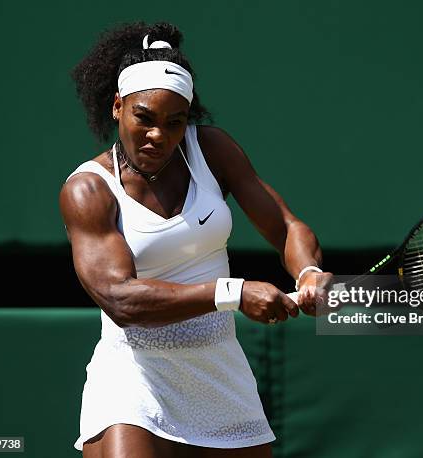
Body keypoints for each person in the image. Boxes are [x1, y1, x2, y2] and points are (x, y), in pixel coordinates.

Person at [60, 21, 331, 458]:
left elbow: (284, 226)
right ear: (116, 107)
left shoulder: (213, 150)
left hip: (218, 370)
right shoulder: (87, 190)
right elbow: (121, 299)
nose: (158, 135)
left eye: (175, 122)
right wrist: (234, 293)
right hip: (134, 376)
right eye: (143, 118)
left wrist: (309, 270)